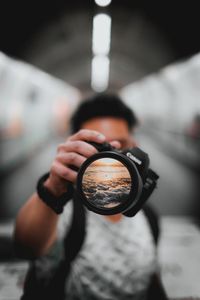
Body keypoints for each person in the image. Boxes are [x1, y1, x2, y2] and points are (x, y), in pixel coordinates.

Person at [14, 94, 166, 300]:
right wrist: (53, 189)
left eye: (119, 147)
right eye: (99, 150)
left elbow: (150, 275)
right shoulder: (63, 212)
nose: (110, 160)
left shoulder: (147, 217)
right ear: (77, 149)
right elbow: (27, 248)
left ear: (135, 146)